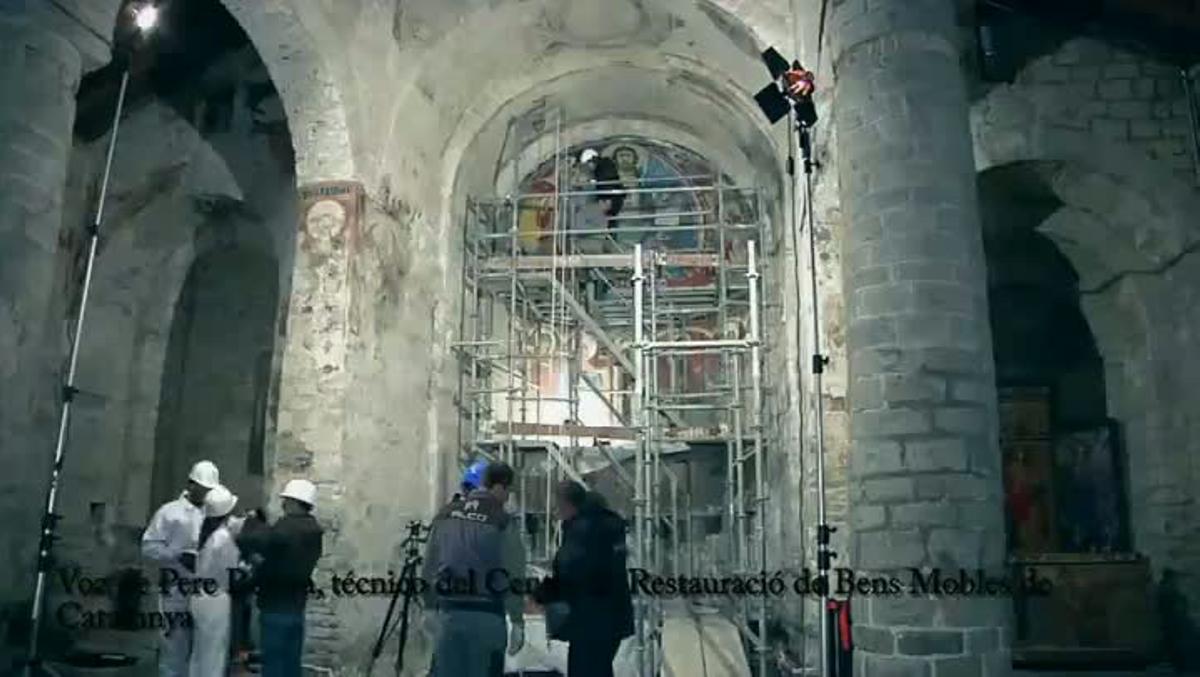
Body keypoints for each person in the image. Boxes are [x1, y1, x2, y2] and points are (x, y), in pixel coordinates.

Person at [422, 461, 526, 677]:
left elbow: (430, 563)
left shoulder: (446, 515)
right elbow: (514, 572)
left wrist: (429, 606)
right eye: (508, 491)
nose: (508, 498)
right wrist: (517, 620)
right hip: (487, 618)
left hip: (449, 617)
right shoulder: (503, 521)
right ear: (499, 487)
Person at [535, 481, 634, 677]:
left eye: (558, 505)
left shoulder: (581, 530)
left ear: (567, 504)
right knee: (601, 668)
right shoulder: (610, 525)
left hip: (589, 619)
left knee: (584, 669)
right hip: (613, 616)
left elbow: (568, 570)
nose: (556, 510)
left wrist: (540, 595)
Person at [237, 479, 324, 677]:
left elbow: (253, 540)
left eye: (286, 500)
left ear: (294, 502)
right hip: (296, 606)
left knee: (274, 665)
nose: (283, 504)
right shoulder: (313, 530)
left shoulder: (286, 528)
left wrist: (251, 522)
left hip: (275, 606)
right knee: (291, 664)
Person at [141, 460, 221, 677]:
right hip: (175, 590)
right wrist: (176, 556)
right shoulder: (169, 513)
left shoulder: (214, 516)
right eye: (202, 489)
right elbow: (148, 547)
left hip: (205, 592)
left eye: (209, 491)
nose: (205, 494)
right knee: (174, 649)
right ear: (191, 484)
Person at [189, 485, 245, 677]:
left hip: (199, 596)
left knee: (200, 653)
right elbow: (233, 572)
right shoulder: (222, 538)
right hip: (216, 598)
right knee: (214, 654)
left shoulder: (204, 534)